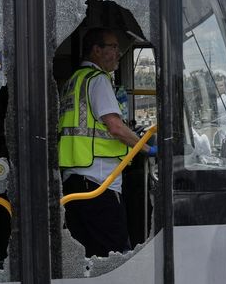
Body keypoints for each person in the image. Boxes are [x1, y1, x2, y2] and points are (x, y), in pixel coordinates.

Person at [59, 28, 154, 257]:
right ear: (96, 50)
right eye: (113, 47)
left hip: (74, 182)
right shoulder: (98, 79)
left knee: (87, 255)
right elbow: (115, 127)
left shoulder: (73, 82)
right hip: (99, 183)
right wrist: (148, 148)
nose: (118, 53)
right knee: (112, 256)